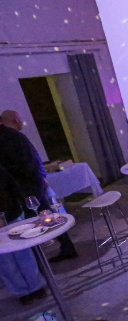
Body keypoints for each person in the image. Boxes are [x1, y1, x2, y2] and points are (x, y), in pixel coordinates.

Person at [0, 110, 77, 263]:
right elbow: (34, 159)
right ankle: (67, 248)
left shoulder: (6, 138)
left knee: (28, 226)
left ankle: (39, 263)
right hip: (33, 184)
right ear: (15, 120)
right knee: (47, 215)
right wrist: (41, 178)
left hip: (23, 189)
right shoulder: (16, 136)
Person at [0, 162, 47, 305]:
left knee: (24, 253)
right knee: (5, 261)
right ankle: (21, 291)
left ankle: (36, 286)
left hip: (11, 213)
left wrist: (18, 205)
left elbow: (12, 185)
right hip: (10, 212)